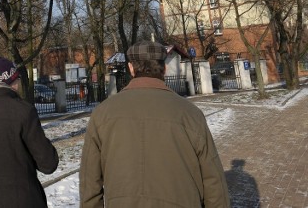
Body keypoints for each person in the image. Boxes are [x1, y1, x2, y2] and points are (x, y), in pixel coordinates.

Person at [79, 40, 230, 208]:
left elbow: (90, 183)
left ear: (131, 68)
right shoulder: (191, 114)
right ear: (164, 69)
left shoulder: (101, 114)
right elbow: (213, 180)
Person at [0, 56, 59, 207]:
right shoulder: (24, 112)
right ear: (11, 81)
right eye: (18, 79)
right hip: (24, 200)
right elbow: (48, 164)